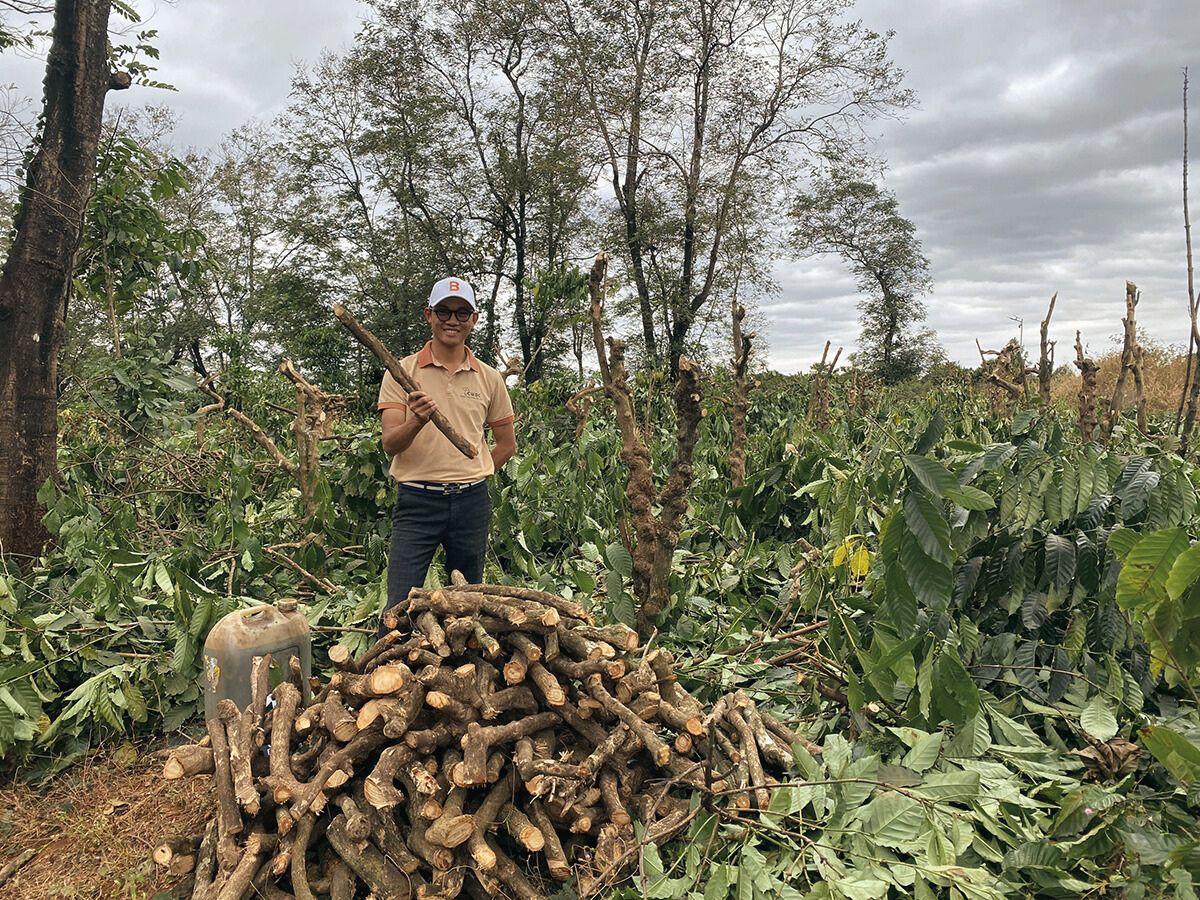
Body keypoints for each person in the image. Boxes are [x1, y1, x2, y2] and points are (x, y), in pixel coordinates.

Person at [376, 276, 516, 632]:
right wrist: (418, 420)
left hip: (471, 504)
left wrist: (476, 474)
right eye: (443, 311)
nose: (452, 320)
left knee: (467, 604)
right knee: (398, 610)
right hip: (417, 502)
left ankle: (462, 678)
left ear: (474, 319)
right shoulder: (401, 372)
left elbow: (506, 444)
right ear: (429, 315)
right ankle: (387, 678)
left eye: (461, 312)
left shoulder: (489, 378)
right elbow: (391, 443)